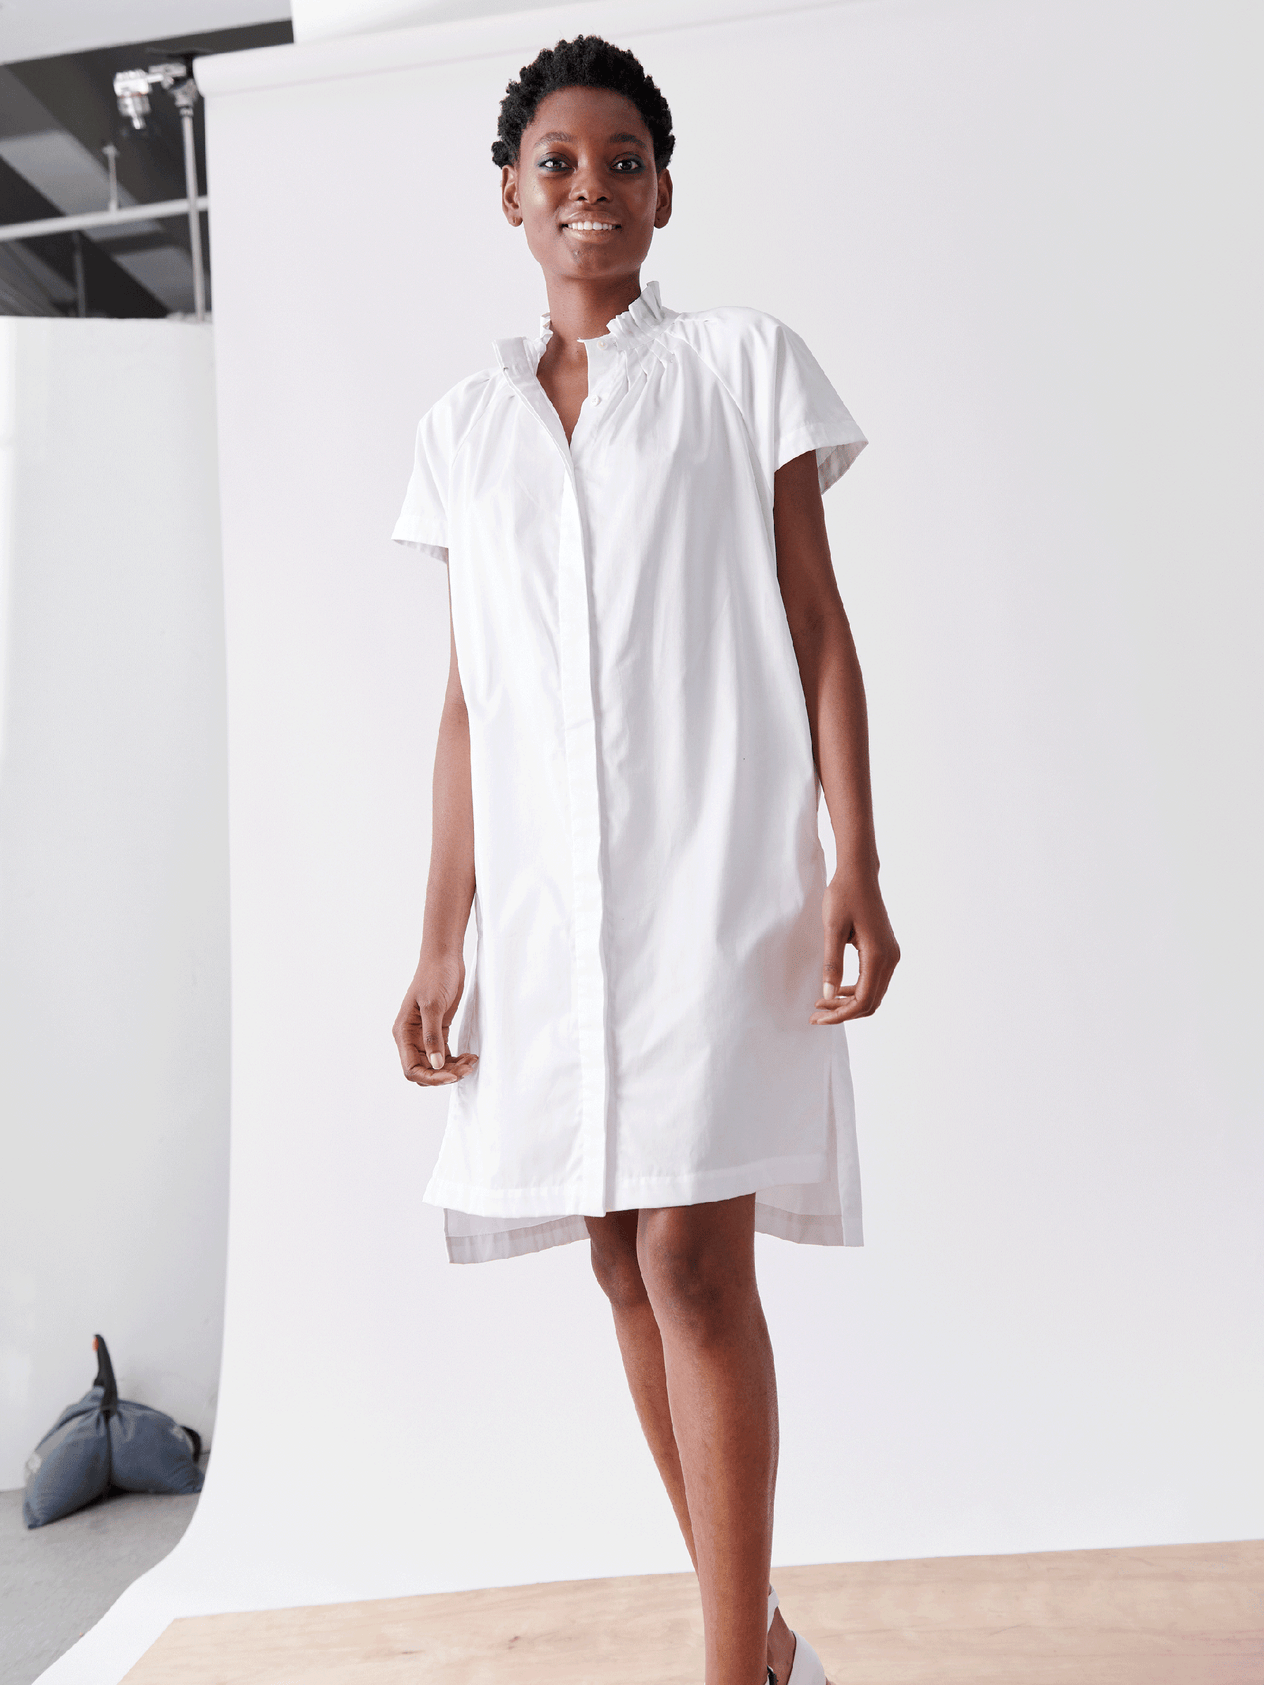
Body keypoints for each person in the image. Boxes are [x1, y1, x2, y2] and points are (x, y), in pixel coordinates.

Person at [391, 35, 899, 1685]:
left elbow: (819, 628)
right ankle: (755, 1643)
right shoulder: (464, 430)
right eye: (556, 162)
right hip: (546, 908)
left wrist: (857, 863)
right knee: (616, 1254)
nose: (589, 188)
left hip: (715, 883)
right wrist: (440, 938)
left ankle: (722, 1671)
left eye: (621, 161)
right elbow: (470, 703)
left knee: (690, 1249)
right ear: (509, 199)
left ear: (662, 191)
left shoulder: (746, 364)